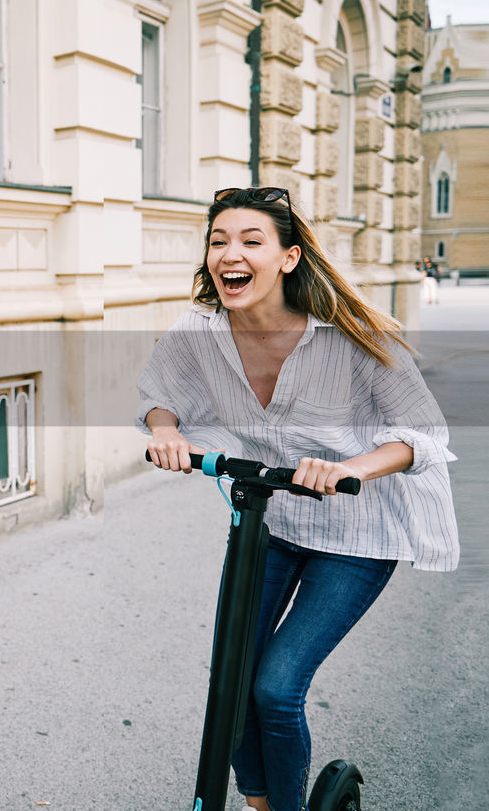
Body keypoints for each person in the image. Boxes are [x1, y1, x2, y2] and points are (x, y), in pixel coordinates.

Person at [137, 187, 458, 811]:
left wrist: (351, 469)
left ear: (288, 258)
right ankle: (263, 803)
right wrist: (165, 429)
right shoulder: (200, 329)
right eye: (218, 241)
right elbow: (161, 390)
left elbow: (424, 434)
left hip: (357, 535)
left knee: (276, 688)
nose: (231, 254)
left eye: (251, 241)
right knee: (231, 681)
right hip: (271, 520)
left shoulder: (351, 336)